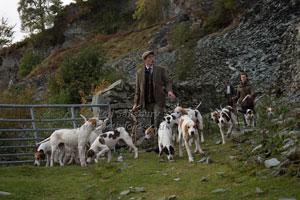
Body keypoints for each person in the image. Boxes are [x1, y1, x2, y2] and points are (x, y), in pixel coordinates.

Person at [132, 51, 176, 151]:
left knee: (157, 122)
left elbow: (167, 82)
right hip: (147, 102)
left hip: (158, 101)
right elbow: (137, 90)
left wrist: (169, 91)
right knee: (152, 123)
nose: (152, 59)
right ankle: (159, 143)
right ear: (145, 60)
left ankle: (157, 146)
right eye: (149, 57)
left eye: (152, 57)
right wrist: (136, 103)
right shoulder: (139, 73)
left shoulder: (160, 70)